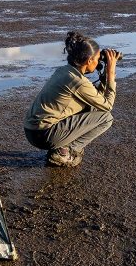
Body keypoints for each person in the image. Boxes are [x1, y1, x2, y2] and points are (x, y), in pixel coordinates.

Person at [24, 31, 119, 167]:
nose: (99, 61)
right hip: (43, 135)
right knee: (106, 118)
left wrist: (104, 77)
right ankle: (64, 151)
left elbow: (97, 101)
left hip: (32, 130)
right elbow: (107, 106)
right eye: (98, 58)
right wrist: (110, 74)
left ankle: (61, 147)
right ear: (89, 61)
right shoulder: (78, 82)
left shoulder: (64, 71)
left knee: (92, 107)